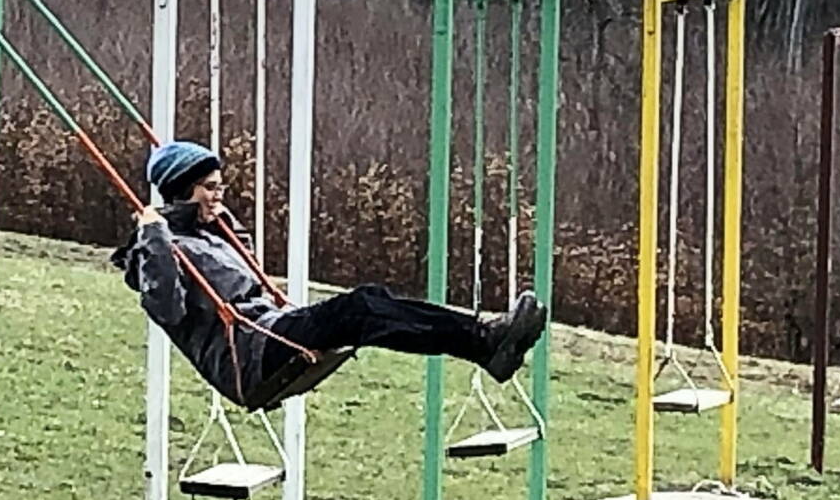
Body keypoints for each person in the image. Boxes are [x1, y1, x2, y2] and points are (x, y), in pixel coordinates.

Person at [113, 140, 547, 411]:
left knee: (369, 302)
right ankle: (484, 341)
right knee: (359, 308)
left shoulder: (206, 236)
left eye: (220, 187)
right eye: (210, 187)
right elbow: (165, 306)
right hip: (251, 355)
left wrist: (223, 222)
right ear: (182, 189)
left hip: (270, 331)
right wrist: (152, 232)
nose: (218, 196)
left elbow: (247, 270)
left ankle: (485, 342)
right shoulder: (159, 250)